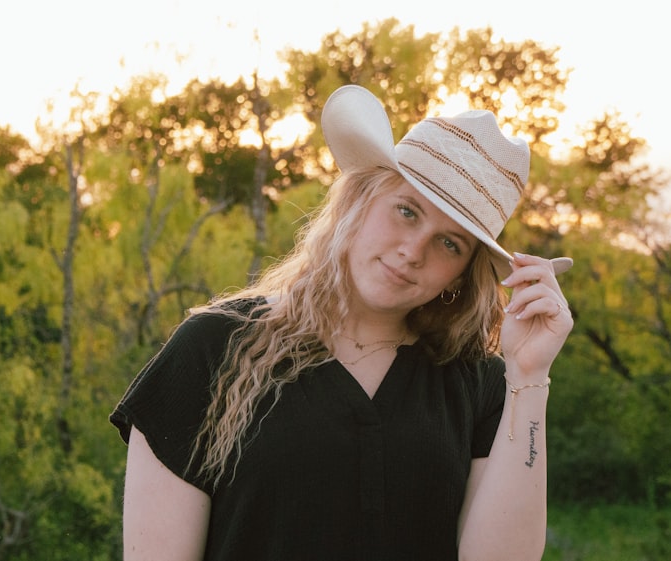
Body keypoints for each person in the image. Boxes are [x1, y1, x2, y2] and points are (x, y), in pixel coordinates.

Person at [109, 84, 574, 561]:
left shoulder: (479, 384)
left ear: (461, 273)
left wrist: (529, 376)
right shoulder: (213, 350)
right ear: (360, 198)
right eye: (406, 210)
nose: (413, 251)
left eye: (449, 243)